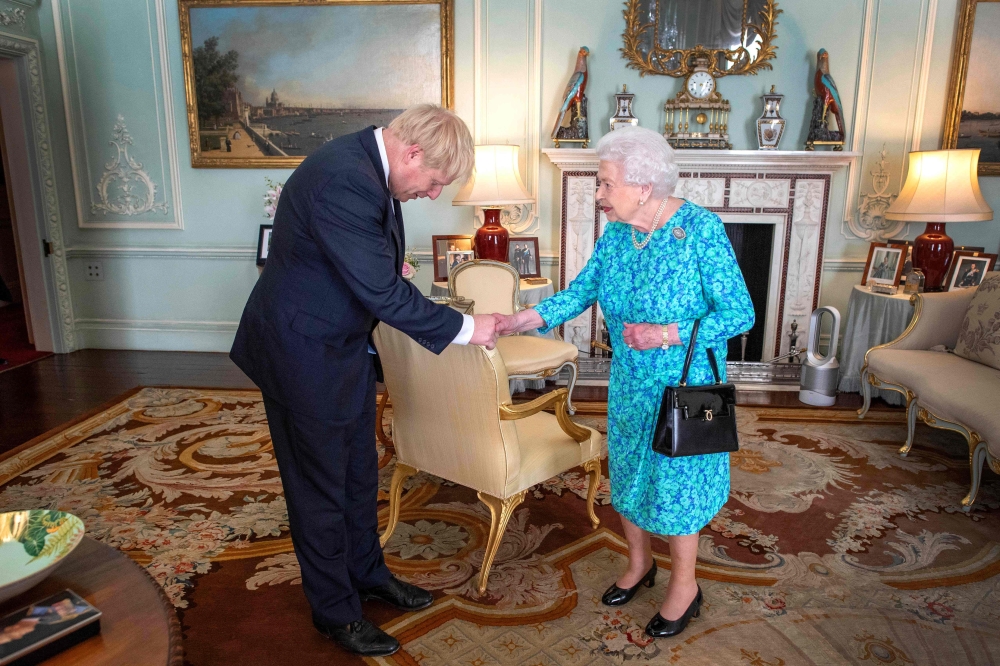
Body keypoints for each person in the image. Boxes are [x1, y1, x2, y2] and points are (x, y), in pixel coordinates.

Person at [230, 105, 499, 658]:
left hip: (341, 345)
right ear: (412, 153)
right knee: (319, 489)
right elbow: (381, 289)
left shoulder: (368, 168)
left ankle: (368, 574)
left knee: (356, 474)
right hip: (301, 352)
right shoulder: (343, 179)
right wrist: (470, 328)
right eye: (434, 181)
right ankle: (335, 613)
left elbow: (371, 272)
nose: (432, 193)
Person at [494, 126, 754, 639]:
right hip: (630, 383)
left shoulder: (700, 230)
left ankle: (685, 585)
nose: (599, 195)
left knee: (679, 488)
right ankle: (639, 564)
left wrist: (666, 333)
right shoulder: (618, 234)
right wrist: (521, 320)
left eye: (605, 183)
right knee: (630, 473)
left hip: (686, 385)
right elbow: (582, 289)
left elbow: (740, 313)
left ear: (643, 185)